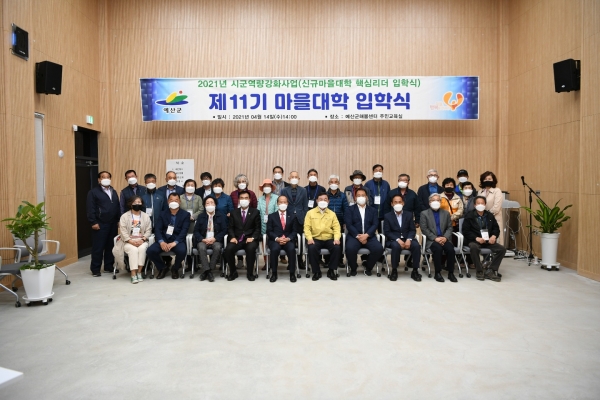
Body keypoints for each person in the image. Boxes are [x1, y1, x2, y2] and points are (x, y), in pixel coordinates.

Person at [146, 193, 190, 279]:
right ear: (168, 201)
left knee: (182, 251)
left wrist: (175, 242)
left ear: (180, 202)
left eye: (176, 200)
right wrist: (161, 242)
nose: (174, 202)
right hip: (164, 239)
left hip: (177, 240)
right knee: (150, 251)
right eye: (171, 200)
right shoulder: (162, 214)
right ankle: (162, 268)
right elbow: (157, 229)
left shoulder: (185, 214)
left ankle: (175, 268)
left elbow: (184, 231)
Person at [462, 196, 506, 281]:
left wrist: (494, 236)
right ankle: (479, 271)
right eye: (478, 203)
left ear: (485, 204)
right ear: (474, 205)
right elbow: (466, 231)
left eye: (482, 203)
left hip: (488, 240)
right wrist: (476, 238)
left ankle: (491, 270)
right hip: (474, 240)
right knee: (474, 247)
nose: (480, 205)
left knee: (502, 249)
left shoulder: (489, 215)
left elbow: (496, 228)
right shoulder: (469, 216)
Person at [86, 171, 121, 276]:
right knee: (98, 247)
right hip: (100, 223)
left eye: (108, 177)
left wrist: (118, 220)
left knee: (111, 246)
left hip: (113, 223)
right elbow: (90, 208)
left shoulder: (113, 191)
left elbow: (117, 206)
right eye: (103, 177)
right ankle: (95, 269)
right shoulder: (93, 192)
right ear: (99, 179)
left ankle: (108, 266)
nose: (106, 179)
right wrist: (93, 222)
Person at [344, 188, 384, 276]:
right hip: (354, 236)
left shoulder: (373, 210)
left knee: (379, 249)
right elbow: (349, 225)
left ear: (367, 197)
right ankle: (353, 267)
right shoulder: (349, 209)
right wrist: (358, 236)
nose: (361, 197)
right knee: (350, 249)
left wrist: (366, 235)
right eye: (358, 195)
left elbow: (375, 224)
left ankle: (368, 267)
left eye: (363, 195)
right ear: (355, 198)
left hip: (369, 236)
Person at [223, 191, 262, 281]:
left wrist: (252, 238)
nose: (244, 200)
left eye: (246, 198)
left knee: (251, 249)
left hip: (250, 239)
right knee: (228, 249)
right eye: (242, 198)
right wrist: (232, 237)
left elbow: (258, 228)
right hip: (237, 239)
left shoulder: (255, 212)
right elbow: (230, 228)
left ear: (249, 199)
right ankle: (233, 272)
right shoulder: (233, 212)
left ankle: (250, 273)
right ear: (239, 200)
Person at [383, 194, 422, 282]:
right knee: (396, 246)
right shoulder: (387, 216)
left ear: (403, 203)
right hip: (394, 239)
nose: (398, 204)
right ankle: (394, 270)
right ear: (392, 204)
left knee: (416, 246)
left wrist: (409, 239)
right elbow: (387, 232)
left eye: (399, 202)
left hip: (407, 238)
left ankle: (415, 271)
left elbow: (412, 230)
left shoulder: (409, 214)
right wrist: (398, 240)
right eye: (395, 202)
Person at [420, 193, 458, 283]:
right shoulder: (424, 213)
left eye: (438, 200)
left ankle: (451, 273)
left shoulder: (446, 213)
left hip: (444, 238)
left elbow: (450, 227)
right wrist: (435, 238)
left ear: (440, 202)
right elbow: (424, 229)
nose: (435, 202)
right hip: (431, 240)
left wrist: (445, 237)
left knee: (450, 249)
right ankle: (437, 273)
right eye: (433, 200)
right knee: (438, 249)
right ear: (429, 202)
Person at [304, 192, 342, 281]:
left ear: (328, 201)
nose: (323, 201)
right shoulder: (310, 213)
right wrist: (309, 238)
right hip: (315, 238)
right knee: (312, 248)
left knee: (337, 247)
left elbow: (337, 228)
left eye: (325, 199)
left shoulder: (332, 214)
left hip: (329, 238)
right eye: (321, 199)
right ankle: (316, 271)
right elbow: (307, 228)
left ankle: (331, 270)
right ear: (317, 201)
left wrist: (336, 238)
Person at [116, 196, 152, 284]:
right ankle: (133, 273)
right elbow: (123, 231)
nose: (137, 204)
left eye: (139, 202)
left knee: (142, 249)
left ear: (142, 204)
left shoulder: (145, 216)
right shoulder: (124, 216)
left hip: (142, 240)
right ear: (130, 204)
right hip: (128, 241)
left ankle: (139, 272)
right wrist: (130, 241)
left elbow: (149, 230)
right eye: (135, 202)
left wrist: (143, 239)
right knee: (133, 250)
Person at [194, 195, 227, 282]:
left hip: (215, 240)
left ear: (215, 205)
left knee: (217, 247)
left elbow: (224, 230)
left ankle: (208, 271)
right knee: (201, 247)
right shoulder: (201, 216)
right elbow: (196, 231)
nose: (210, 205)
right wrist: (202, 239)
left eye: (212, 203)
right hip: (203, 240)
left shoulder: (221, 216)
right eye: (207, 203)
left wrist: (215, 238)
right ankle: (208, 272)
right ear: (204, 205)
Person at [266, 195, 298, 283]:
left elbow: (294, 231)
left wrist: (288, 238)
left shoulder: (293, 216)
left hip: (288, 240)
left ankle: (292, 273)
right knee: (274, 249)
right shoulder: (271, 216)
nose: (282, 204)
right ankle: (274, 273)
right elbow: (269, 231)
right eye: (281, 202)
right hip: (275, 240)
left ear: (287, 203)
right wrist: (277, 238)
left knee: (291, 249)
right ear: (277, 203)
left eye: (284, 202)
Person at [230, 174, 258, 269]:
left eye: (243, 181)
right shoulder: (233, 194)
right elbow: (231, 206)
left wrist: (251, 215)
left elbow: (254, 206)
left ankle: (249, 264)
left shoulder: (251, 193)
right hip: (237, 219)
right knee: (235, 241)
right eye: (239, 182)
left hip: (249, 219)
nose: (241, 183)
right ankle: (239, 261)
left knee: (250, 246)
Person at [281, 171, 308, 269]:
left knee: (300, 241)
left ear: (299, 179)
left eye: (296, 177)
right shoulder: (284, 190)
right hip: (289, 218)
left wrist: (304, 217)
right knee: (290, 240)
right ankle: (291, 262)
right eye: (292, 177)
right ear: (289, 178)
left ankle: (300, 261)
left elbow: (305, 205)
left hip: (300, 218)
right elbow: (282, 204)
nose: (294, 178)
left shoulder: (303, 190)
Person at [326, 174, 348, 268]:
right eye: (331, 182)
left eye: (335, 182)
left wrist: (345, 222)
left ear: (338, 183)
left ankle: (339, 260)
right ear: (328, 183)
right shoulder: (325, 195)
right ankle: (327, 260)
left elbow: (346, 209)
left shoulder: (342, 195)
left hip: (340, 222)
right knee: (328, 240)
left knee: (339, 241)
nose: (333, 184)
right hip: (327, 222)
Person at [257, 179, 279, 269]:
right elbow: (258, 211)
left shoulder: (276, 198)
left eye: (268, 186)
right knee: (264, 242)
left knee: (273, 242)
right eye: (265, 186)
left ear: (271, 187)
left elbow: (277, 211)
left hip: (273, 223)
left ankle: (273, 262)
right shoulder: (260, 199)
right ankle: (266, 262)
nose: (267, 187)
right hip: (263, 223)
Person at [478, 171, 504, 245]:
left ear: (493, 180)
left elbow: (496, 207)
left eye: (489, 179)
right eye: (485, 179)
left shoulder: (497, 191)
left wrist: (486, 215)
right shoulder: (480, 192)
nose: (487, 180)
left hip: (494, 218)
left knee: (496, 241)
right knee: (484, 241)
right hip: (482, 220)